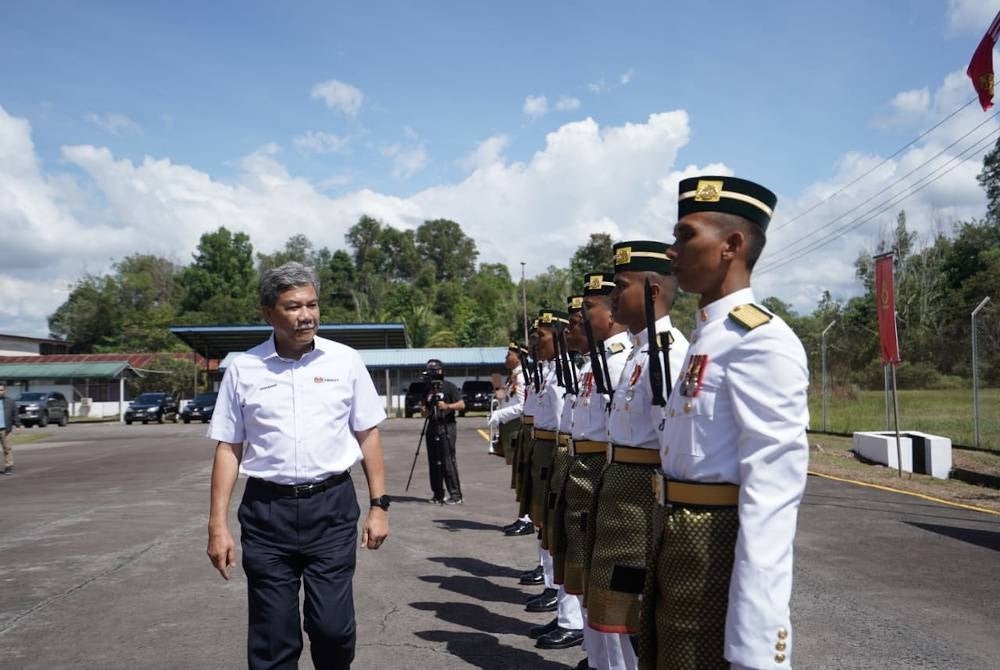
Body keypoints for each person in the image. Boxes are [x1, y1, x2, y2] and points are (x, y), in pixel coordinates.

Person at [642, 177, 809, 670]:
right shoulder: (708, 336)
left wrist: (757, 645)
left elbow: (773, 490)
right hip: (676, 540)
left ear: (731, 246)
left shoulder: (761, 339)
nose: (672, 252)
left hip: (716, 549)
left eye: (685, 236)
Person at [206, 261, 390, 670]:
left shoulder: (345, 362)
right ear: (268, 313)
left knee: (333, 630)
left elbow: (368, 434)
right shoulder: (244, 368)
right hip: (267, 513)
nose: (306, 315)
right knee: (273, 639)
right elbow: (228, 448)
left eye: (312, 304)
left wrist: (379, 506)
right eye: (292, 306)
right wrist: (217, 524)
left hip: (332, 508)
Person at [586, 241, 688, 667]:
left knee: (631, 613)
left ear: (651, 291)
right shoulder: (641, 352)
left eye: (621, 287)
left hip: (641, 502)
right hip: (620, 493)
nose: (612, 297)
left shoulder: (670, 352)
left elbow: (671, 443)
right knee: (612, 605)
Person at [562, 272, 634, 670]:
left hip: (615, 479)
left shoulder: (628, 359)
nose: (581, 319)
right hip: (596, 473)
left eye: (589, 309)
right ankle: (598, 660)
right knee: (593, 580)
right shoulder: (601, 361)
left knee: (617, 594)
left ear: (611, 313)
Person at [526, 308, 584, 649]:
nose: (535, 342)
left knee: (562, 535)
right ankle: (564, 608)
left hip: (563, 451)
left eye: (541, 336)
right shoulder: (551, 371)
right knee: (548, 529)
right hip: (549, 448)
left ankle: (570, 617)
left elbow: (566, 424)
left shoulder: (565, 371)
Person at [491, 342, 529, 534]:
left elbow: (522, 406)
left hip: (516, 429)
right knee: (517, 476)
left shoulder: (522, 378)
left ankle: (527, 518)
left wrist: (499, 416)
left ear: (519, 357)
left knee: (521, 475)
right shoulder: (512, 377)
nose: (506, 358)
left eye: (509, 355)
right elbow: (507, 399)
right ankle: (523, 516)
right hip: (509, 429)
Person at [420, 359, 464, 505]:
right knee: (434, 461)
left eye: (432, 371)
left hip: (447, 426)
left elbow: (461, 404)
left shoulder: (449, 387)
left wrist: (447, 406)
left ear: (439, 371)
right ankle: (438, 493)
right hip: (432, 426)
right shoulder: (427, 390)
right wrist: (425, 410)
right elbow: (424, 412)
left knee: (447, 460)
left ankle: (456, 495)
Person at [0, 383, 22, 475]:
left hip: (6, 429)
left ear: (5, 391)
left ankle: (8, 467)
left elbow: (15, 415)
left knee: (7, 449)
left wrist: (18, 425)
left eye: (1, 390)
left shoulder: (10, 401)